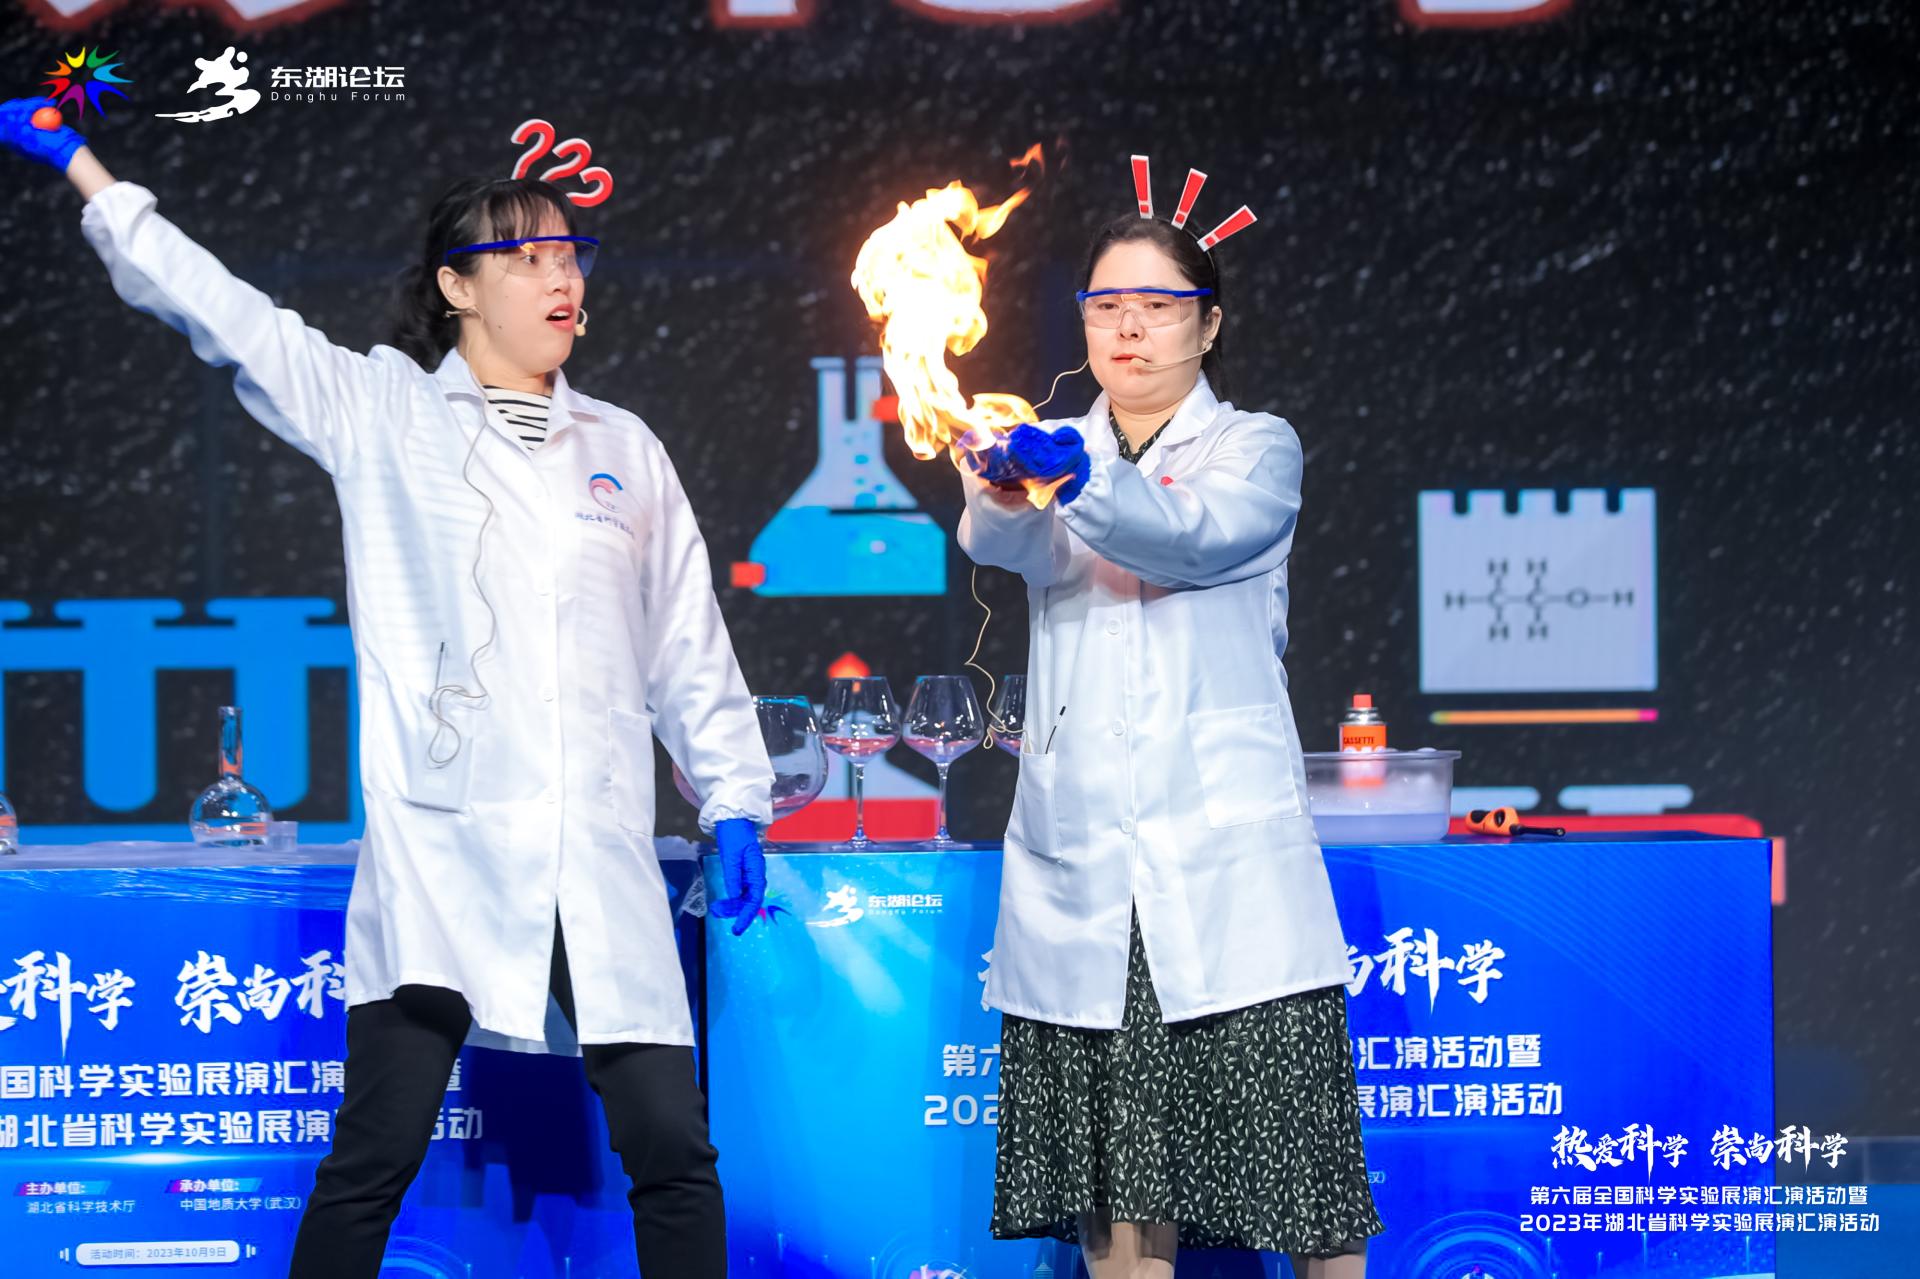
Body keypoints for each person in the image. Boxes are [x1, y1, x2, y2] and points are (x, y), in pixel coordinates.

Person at [2, 98, 772, 1277]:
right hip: (445, 854)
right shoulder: (383, 411)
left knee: (673, 1147)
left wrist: (734, 798)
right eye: (527, 257)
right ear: (458, 287)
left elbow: (685, 642)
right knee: (376, 1149)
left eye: (571, 255)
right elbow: (222, 311)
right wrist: (86, 169)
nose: (562, 278)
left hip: (596, 851)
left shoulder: (625, 446)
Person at [955, 197, 1385, 1278]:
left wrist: (1074, 478)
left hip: (1227, 865)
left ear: (1210, 322)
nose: (1130, 328)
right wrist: (1001, 484)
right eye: (1106, 305)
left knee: (1307, 1195)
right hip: (1089, 863)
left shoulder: (1254, 447)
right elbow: (1008, 545)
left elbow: (1195, 536)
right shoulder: (1059, 451)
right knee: (1122, 1213)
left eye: (1157, 304)